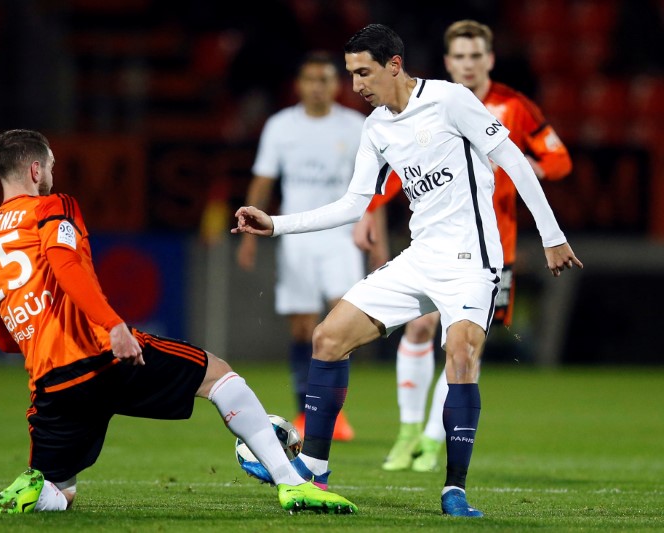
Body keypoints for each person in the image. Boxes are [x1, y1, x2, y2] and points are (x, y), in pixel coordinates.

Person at [232, 24, 582, 517]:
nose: (355, 85)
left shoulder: (450, 100)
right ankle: (314, 465)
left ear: (394, 64)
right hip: (419, 258)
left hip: (471, 260)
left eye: (363, 72)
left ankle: (453, 489)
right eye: (351, 74)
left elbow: (515, 162)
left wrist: (552, 237)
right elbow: (355, 203)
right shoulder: (375, 127)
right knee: (327, 338)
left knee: (461, 354)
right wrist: (276, 225)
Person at [0, 129, 357, 515]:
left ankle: (30, 494)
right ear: (35, 171)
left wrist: (41, 329)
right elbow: (65, 265)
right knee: (218, 376)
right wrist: (113, 325)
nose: (51, 175)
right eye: (49, 167)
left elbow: (3, 338)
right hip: (101, 352)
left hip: (51, 383)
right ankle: (292, 482)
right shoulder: (52, 206)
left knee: (61, 493)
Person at [360, 19, 574, 473]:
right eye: (459, 56)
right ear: (447, 61)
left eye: (476, 56)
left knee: (461, 348)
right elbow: (399, 172)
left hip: (493, 250)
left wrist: (516, 166)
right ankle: (408, 433)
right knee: (418, 330)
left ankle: (435, 443)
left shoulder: (513, 107)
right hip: (436, 245)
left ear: (490, 60)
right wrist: (368, 213)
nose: (468, 64)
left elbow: (559, 160)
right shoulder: (432, 107)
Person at [236, 51, 366, 442]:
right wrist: (247, 234)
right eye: (310, 79)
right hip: (294, 236)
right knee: (303, 328)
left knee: (343, 323)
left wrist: (371, 228)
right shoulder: (281, 126)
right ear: (299, 85)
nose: (317, 86)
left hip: (341, 235)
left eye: (325, 79)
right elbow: (263, 179)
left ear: (336, 85)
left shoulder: (357, 125)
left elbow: (375, 184)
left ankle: (333, 413)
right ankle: (305, 409)